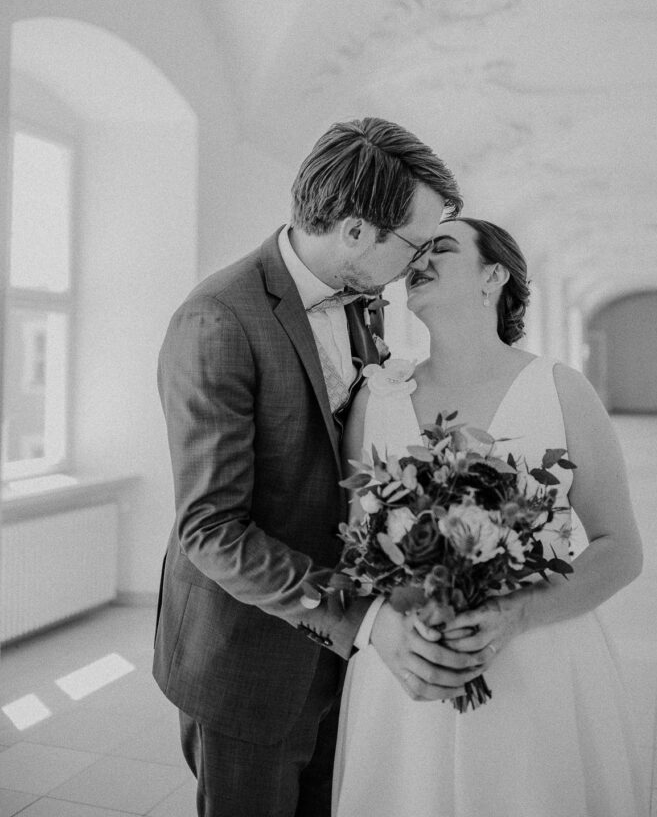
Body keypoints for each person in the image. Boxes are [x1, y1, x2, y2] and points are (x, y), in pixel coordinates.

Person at [153, 117, 475, 817]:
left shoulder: (366, 302)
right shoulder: (218, 320)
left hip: (344, 660)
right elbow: (211, 530)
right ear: (356, 231)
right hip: (247, 659)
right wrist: (363, 619)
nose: (417, 266)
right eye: (415, 244)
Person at [333, 216, 647, 817]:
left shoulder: (562, 391)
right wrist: (404, 620)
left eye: (441, 249)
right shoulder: (377, 398)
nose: (418, 259)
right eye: (416, 250)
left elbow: (621, 547)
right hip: (411, 662)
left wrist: (515, 614)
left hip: (539, 660)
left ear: (494, 275)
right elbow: (355, 549)